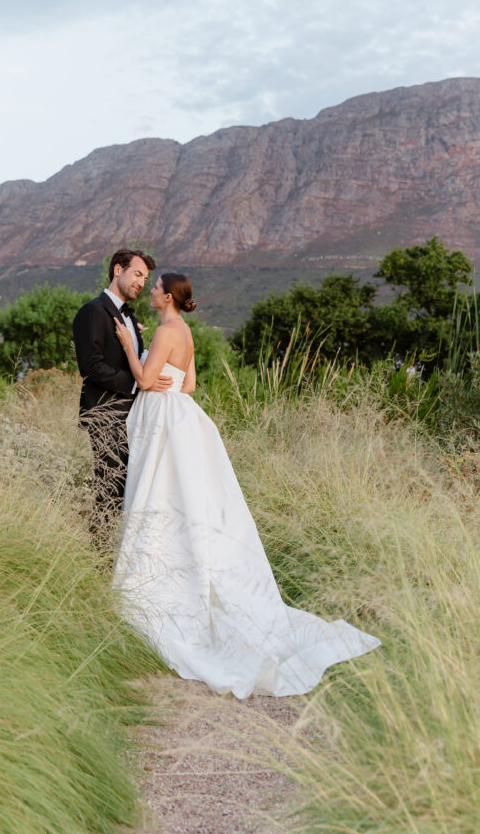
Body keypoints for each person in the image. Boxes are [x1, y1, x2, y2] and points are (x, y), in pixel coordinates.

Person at [113, 272, 380, 698]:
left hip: (163, 421)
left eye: (156, 285)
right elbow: (192, 384)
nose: (152, 290)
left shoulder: (166, 330)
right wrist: (162, 373)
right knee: (182, 501)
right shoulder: (184, 331)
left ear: (166, 296)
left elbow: (145, 382)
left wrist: (131, 348)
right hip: (183, 417)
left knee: (159, 497)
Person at [72, 248, 172, 524]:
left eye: (145, 278)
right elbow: (90, 367)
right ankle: (98, 558)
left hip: (132, 418)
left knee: (129, 491)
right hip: (106, 416)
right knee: (109, 491)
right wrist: (139, 385)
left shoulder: (130, 317)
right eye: (137, 274)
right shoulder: (91, 311)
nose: (142, 282)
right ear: (118, 270)